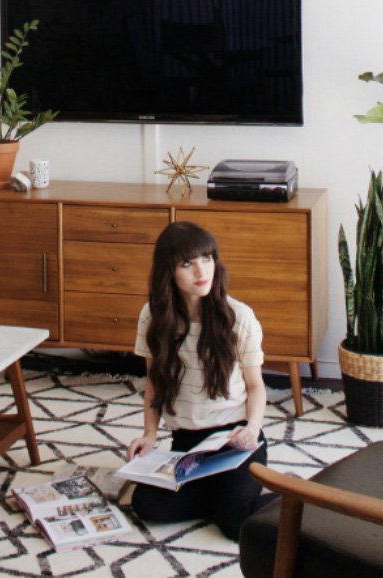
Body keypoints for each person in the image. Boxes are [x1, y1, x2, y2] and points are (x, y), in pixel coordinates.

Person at [126, 221, 274, 541]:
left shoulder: (239, 317)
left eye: (207, 259)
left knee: (237, 526)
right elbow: (154, 382)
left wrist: (252, 429)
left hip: (234, 439)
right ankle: (223, 496)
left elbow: (255, 387)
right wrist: (149, 435)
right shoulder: (152, 316)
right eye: (187, 263)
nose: (201, 271)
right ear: (168, 271)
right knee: (146, 505)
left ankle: (298, 497)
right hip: (187, 443)